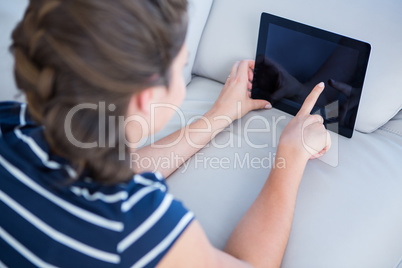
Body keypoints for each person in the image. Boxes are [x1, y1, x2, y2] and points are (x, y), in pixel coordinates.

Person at [0, 0, 331, 267]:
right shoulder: (130, 226)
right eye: (181, 64)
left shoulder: (12, 123)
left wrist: (219, 116)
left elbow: (104, 174)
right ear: (147, 96)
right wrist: (291, 154)